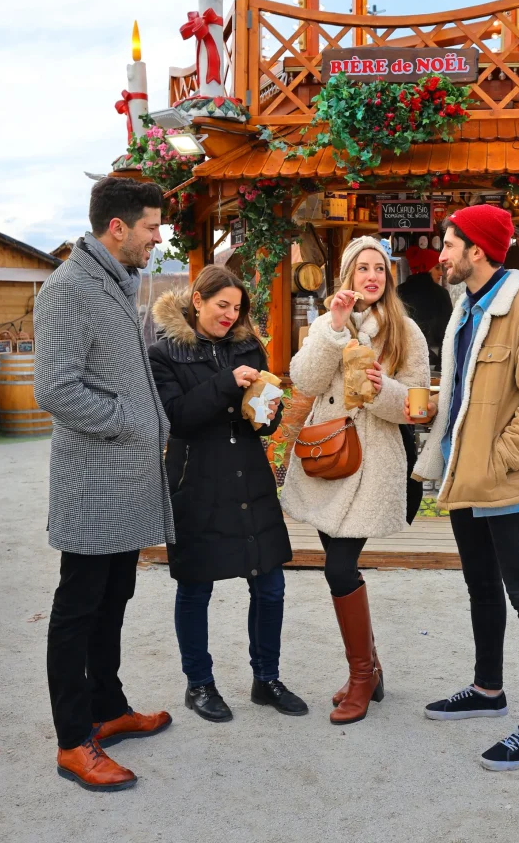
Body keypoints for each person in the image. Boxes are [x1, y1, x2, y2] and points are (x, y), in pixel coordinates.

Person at [408, 205, 519, 771]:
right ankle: (488, 690)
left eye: (450, 245)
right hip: (463, 475)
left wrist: (500, 459)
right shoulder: (465, 307)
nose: (442, 255)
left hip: (504, 480)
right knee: (482, 588)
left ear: (478, 251)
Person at [33, 177, 175, 793]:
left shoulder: (119, 282)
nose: (157, 237)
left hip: (127, 479)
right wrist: (129, 426)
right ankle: (72, 740)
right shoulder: (68, 289)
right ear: (116, 228)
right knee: (78, 607)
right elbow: (57, 390)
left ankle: (107, 706)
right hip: (92, 482)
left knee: (115, 595)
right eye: (150, 226)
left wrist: (154, 424)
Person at [148, 266, 308, 721]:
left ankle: (266, 679)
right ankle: (199, 685)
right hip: (197, 481)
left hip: (249, 477)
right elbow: (177, 418)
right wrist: (225, 384)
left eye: (236, 308)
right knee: (195, 587)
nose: (230, 315)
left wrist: (269, 410)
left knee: (271, 584)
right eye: (222, 306)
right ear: (197, 300)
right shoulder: (164, 353)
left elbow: (262, 420)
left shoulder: (247, 346)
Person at [282, 237, 430, 725]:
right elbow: (303, 379)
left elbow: (417, 405)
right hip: (327, 459)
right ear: (346, 277)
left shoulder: (404, 330)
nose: (371, 276)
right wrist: (335, 328)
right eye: (361, 268)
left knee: (339, 570)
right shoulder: (326, 324)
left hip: (371, 464)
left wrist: (375, 387)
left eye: (380, 269)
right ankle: (370, 668)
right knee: (336, 565)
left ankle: (362, 676)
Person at [397, 245, 453, 371]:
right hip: (434, 362)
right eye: (437, 268)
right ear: (426, 269)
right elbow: (448, 333)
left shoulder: (398, 292)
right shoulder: (441, 294)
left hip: (403, 362)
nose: (441, 273)